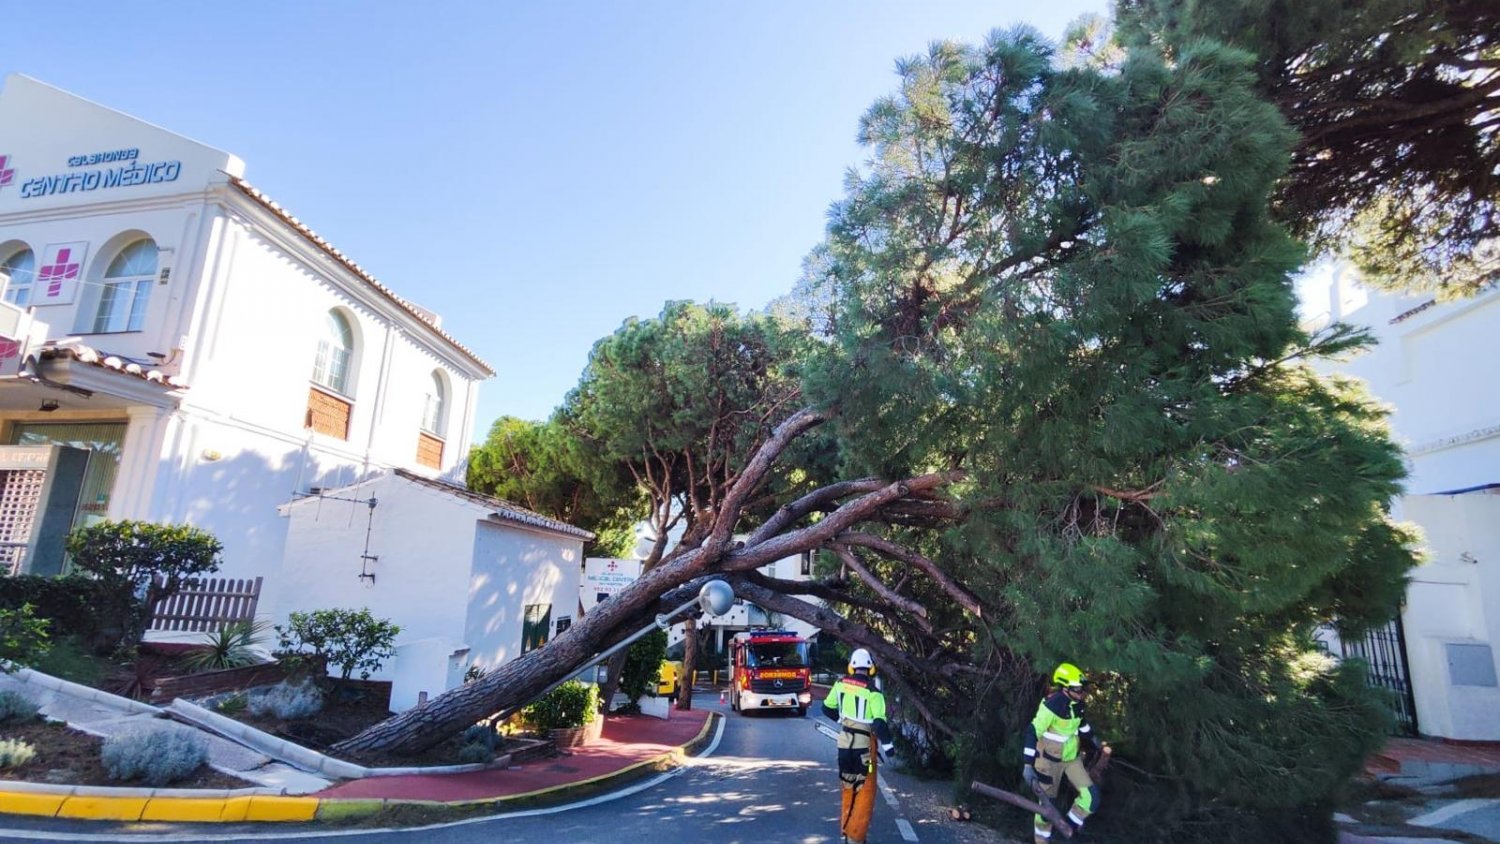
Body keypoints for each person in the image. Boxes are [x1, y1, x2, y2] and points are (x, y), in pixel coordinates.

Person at [1022, 662, 1104, 843]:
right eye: (1077, 688)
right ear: (1065, 688)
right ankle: (1042, 840)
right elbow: (1032, 731)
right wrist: (1028, 764)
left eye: (1082, 688)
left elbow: (1080, 724)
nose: (1081, 691)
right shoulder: (1052, 706)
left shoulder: (1078, 704)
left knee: (1092, 798)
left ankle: (1064, 831)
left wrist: (1093, 738)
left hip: (1071, 759)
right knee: (1046, 808)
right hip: (1048, 761)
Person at [821, 647, 894, 844]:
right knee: (865, 791)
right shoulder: (873, 692)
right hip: (864, 748)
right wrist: (888, 747)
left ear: (851, 667)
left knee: (847, 786)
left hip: (844, 744)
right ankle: (856, 837)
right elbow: (879, 723)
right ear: (870, 669)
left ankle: (846, 831)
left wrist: (841, 720)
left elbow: (826, 708)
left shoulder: (839, 684)